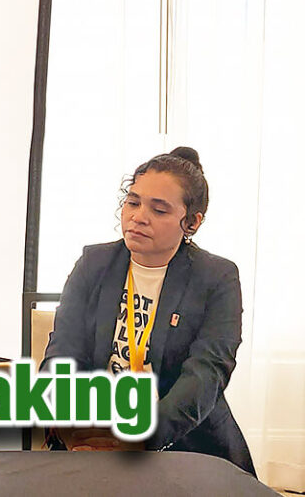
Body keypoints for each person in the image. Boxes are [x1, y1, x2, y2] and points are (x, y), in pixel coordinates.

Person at [41, 147, 255, 475]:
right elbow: (64, 352)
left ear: (192, 222)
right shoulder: (93, 265)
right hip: (91, 436)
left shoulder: (217, 277)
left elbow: (206, 373)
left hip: (182, 444)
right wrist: (70, 422)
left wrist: (140, 438)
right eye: (133, 202)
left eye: (159, 210)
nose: (139, 217)